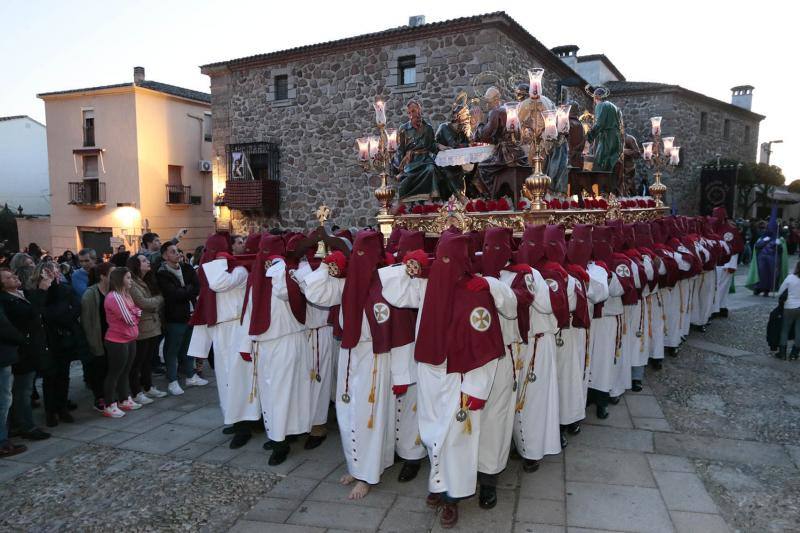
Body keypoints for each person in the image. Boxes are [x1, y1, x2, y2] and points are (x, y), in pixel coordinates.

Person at [380, 233, 517, 528]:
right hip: (430, 372)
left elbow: (484, 347)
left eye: (447, 260)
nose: (443, 265)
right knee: (432, 433)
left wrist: (476, 389)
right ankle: (439, 483)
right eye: (438, 258)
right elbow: (393, 288)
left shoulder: (475, 292)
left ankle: (453, 496)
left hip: (461, 374)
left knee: (456, 438)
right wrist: (414, 264)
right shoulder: (428, 287)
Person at [239, 234, 312, 466]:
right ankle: (278, 433)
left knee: (283, 394)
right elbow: (249, 309)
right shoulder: (256, 277)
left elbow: (285, 292)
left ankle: (281, 440)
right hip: (265, 342)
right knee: (271, 394)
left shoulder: (284, 272)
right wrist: (246, 342)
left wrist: (280, 266)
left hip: (285, 340)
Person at [187, 233, 257, 449]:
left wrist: (219, 260)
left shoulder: (241, 270)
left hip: (237, 328)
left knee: (239, 378)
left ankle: (245, 423)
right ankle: (233, 417)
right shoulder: (217, 270)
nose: (242, 244)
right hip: (220, 330)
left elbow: (219, 283)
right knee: (225, 377)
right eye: (237, 242)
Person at [0, 267, 51, 441]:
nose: (14, 278)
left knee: (22, 389)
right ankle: (26, 426)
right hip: (21, 349)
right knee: (22, 390)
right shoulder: (6, 299)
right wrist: (42, 290)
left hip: (30, 346)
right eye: (8, 277)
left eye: (13, 275)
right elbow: (29, 314)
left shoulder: (21, 294)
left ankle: (20, 422)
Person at [36, 261, 83, 427]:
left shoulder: (65, 288)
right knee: (50, 377)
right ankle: (50, 412)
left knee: (63, 375)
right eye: (50, 271)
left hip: (65, 336)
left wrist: (66, 318)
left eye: (56, 271)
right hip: (49, 338)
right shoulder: (40, 291)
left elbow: (77, 305)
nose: (54, 274)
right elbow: (42, 312)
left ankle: (62, 407)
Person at [156, 241, 206, 395]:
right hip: (175, 317)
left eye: (177, 251)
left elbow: (197, 286)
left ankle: (190, 376)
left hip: (190, 314)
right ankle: (172, 380)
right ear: (165, 255)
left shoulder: (186, 268)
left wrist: (185, 290)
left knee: (188, 347)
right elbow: (173, 295)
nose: (177, 253)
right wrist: (186, 290)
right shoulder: (162, 273)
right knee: (172, 349)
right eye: (172, 251)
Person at [126, 254, 167, 404]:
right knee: (138, 361)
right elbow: (143, 303)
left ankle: (148, 386)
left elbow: (151, 301)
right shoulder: (132, 283)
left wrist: (154, 301)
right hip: (142, 326)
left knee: (148, 359)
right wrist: (159, 300)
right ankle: (136, 391)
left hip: (153, 324)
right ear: (136, 265)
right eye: (143, 261)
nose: (148, 262)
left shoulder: (147, 280)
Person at [102, 267, 142, 417]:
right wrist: (136, 314)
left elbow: (137, 311)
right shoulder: (114, 297)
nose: (131, 280)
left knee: (126, 370)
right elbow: (130, 319)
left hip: (130, 338)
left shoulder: (126, 294)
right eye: (128, 278)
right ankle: (109, 404)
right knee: (115, 372)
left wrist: (136, 314)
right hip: (117, 340)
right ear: (120, 280)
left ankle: (124, 399)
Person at [394, 100, 445, 203]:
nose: (412, 114)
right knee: (407, 178)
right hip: (411, 162)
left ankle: (429, 199)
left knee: (431, 169)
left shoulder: (428, 128)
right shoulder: (403, 129)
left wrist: (440, 146)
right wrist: (400, 166)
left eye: (414, 111)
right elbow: (400, 149)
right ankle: (410, 201)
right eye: (410, 112)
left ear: (419, 110)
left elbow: (431, 145)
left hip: (425, 159)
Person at [81, 262, 114, 411]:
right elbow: (86, 321)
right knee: (99, 368)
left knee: (111, 366)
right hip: (98, 335)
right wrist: (92, 341)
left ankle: (110, 394)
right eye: (112, 273)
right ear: (102, 276)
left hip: (113, 335)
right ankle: (99, 397)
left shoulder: (114, 290)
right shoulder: (90, 294)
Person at [585, 86, 623, 173]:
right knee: (612, 164)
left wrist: (588, 137)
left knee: (600, 164)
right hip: (616, 139)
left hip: (607, 138)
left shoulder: (600, 105)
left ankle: (601, 184)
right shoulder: (615, 107)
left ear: (595, 98)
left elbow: (599, 124)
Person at [776, 262, 800, 360]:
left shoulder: (790, 278)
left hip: (789, 306)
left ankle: (782, 353)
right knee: (799, 331)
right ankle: (795, 353)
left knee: (785, 330)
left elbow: (780, 292)